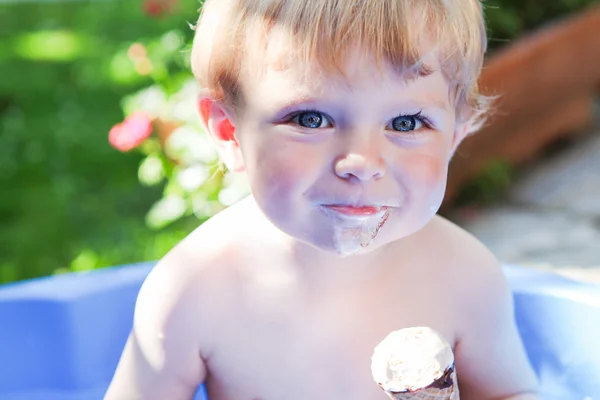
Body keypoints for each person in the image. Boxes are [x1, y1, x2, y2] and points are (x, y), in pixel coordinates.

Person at [105, 0, 541, 399]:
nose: (361, 161)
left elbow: (509, 393)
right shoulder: (195, 290)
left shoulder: (464, 276)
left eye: (406, 122)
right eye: (311, 119)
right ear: (228, 132)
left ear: (454, 135)